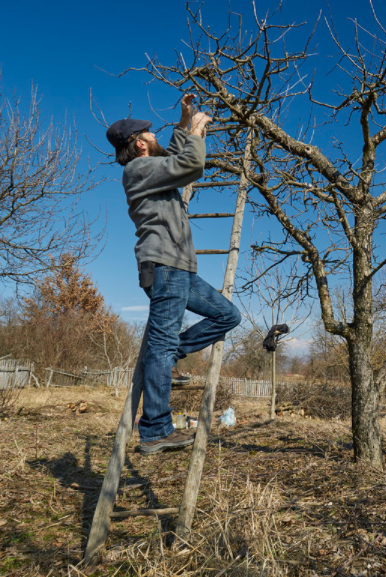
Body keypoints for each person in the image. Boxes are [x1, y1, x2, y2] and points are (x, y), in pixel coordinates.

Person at [106, 95, 242, 455]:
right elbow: (191, 165)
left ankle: (167, 357)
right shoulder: (136, 170)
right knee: (161, 345)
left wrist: (183, 122)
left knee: (228, 316)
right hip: (164, 266)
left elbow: (173, 158)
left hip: (179, 268)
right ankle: (154, 430)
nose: (153, 133)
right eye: (149, 133)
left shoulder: (152, 167)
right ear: (138, 144)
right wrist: (196, 131)